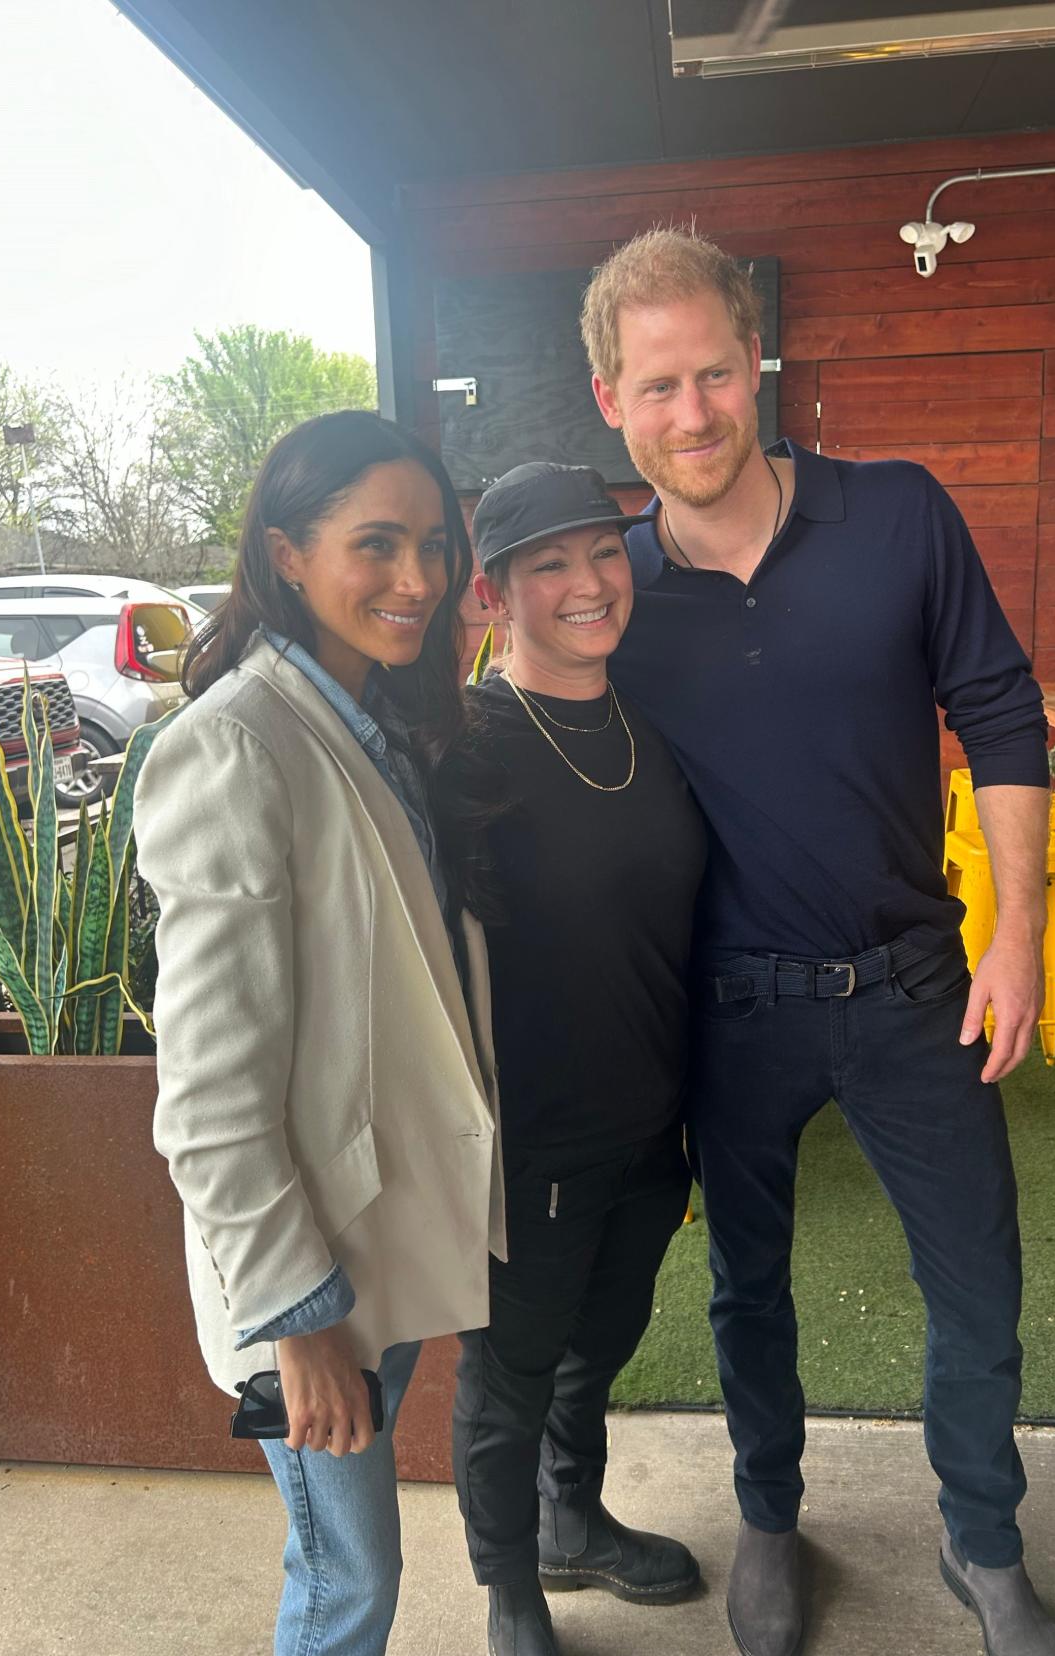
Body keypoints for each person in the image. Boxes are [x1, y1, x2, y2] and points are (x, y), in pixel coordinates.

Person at [579, 229, 1055, 1656]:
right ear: (608, 396)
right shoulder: (606, 596)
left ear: (756, 362)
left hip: (917, 983)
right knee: (744, 1287)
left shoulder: (899, 515)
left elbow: (998, 715)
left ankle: (980, 1540)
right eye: (656, 385)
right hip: (728, 1011)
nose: (692, 413)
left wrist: (1017, 934)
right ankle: (771, 1523)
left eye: (714, 373)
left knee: (976, 1277)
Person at [134, 410, 506, 1656]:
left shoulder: (373, 716)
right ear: (287, 554)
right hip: (310, 1282)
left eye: (436, 547)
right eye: (377, 545)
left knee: (351, 1565)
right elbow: (206, 1098)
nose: (417, 581)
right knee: (346, 1580)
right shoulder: (236, 747)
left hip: (376, 1237)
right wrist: (297, 1326)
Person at [453, 461, 709, 1656]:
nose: (586, 582)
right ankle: (510, 1586)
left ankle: (573, 1519)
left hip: (650, 1126)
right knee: (511, 1372)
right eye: (546, 563)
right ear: (496, 593)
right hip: (531, 1139)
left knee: (598, 1345)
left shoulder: (643, 722)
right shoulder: (466, 751)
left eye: (602, 552)